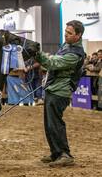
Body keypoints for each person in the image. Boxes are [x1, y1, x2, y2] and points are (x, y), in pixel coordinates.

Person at [36, 20, 86, 167]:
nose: (66, 35)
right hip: (53, 89)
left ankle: (65, 154)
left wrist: (37, 55)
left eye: (70, 33)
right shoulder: (67, 46)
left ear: (79, 35)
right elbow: (53, 61)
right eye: (66, 31)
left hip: (60, 92)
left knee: (55, 124)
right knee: (50, 124)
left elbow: (53, 63)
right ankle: (55, 152)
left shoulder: (75, 54)